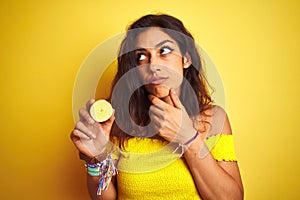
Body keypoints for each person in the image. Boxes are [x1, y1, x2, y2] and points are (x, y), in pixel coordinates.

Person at [70, 14, 244, 200]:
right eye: (142, 56)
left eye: (165, 51)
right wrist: (97, 159)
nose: (153, 65)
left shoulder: (213, 119)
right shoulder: (117, 121)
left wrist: (188, 138)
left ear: (186, 59)